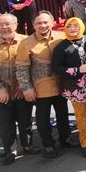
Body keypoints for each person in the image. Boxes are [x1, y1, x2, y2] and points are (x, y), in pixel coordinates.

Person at [0, 14, 36, 165]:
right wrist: (1, 88)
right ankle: (10, 149)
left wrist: (23, 86)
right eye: (0, 25)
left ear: (16, 25)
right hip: (0, 93)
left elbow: (33, 65)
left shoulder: (27, 41)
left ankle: (27, 145)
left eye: (7, 24)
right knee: (5, 122)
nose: (4, 28)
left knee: (25, 120)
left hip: (23, 89)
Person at [16, 11, 72, 158]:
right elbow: (21, 68)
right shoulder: (26, 43)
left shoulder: (62, 36)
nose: (43, 25)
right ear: (34, 25)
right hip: (40, 88)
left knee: (63, 114)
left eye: (46, 22)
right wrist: (26, 88)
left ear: (53, 23)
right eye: (39, 23)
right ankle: (48, 144)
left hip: (60, 85)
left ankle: (66, 138)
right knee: (42, 118)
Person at [51, 17, 86, 157]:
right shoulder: (61, 46)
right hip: (74, 87)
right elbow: (56, 68)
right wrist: (77, 70)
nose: (72, 29)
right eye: (69, 26)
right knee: (81, 114)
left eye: (76, 26)